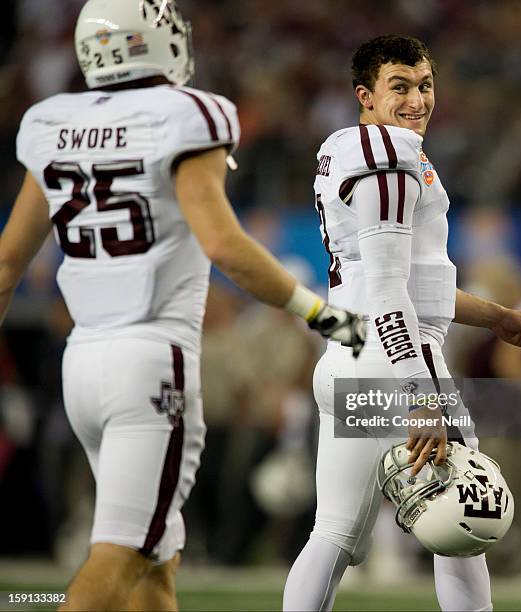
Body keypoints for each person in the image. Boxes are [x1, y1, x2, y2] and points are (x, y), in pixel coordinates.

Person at [0, 1, 366, 610]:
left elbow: (8, 264)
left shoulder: (52, 123)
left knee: (156, 565)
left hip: (82, 365)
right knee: (122, 556)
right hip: (150, 363)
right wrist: (321, 314)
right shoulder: (185, 115)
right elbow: (224, 245)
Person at [283, 34, 521, 612]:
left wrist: (498, 316)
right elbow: (388, 291)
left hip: (347, 351)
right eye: (399, 87)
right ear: (365, 95)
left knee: (331, 535)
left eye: (425, 85)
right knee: (463, 529)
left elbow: (412, 284)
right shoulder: (390, 155)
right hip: (397, 360)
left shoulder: (352, 149)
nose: (417, 99)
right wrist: (421, 394)